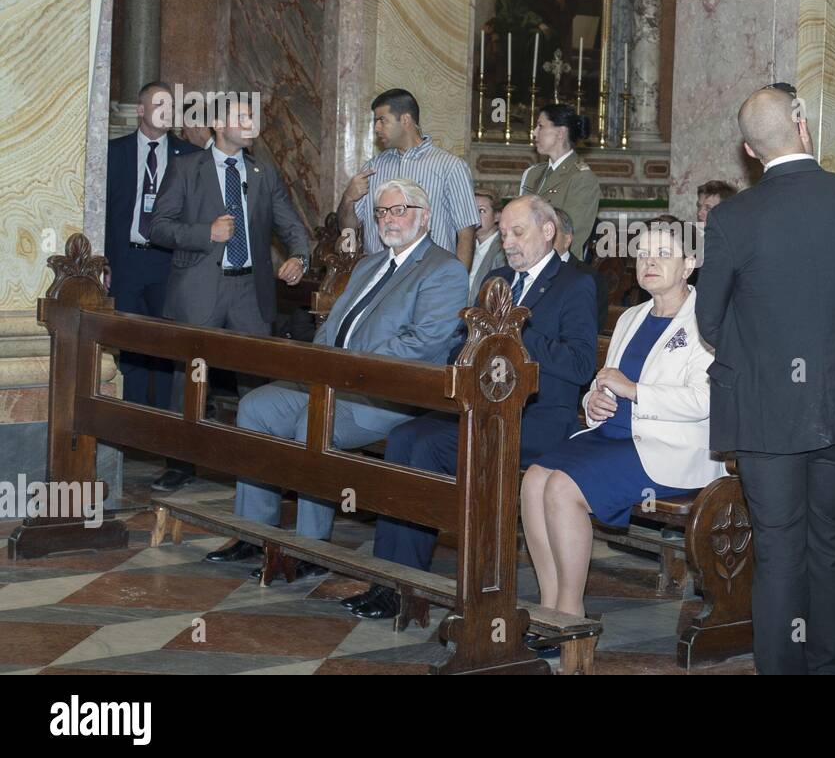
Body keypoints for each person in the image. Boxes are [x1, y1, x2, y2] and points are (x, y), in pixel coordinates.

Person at [696, 86, 835, 675]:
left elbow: (710, 317)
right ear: (802, 125)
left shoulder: (734, 216)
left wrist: (767, 347)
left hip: (767, 412)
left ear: (749, 150)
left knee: (780, 550)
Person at [344, 195, 597, 620]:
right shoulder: (495, 278)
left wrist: (513, 331)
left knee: (427, 449)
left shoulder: (574, 283)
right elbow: (466, 344)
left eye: (518, 232)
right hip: (481, 406)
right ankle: (390, 578)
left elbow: (579, 364)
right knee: (404, 438)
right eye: (503, 232)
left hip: (535, 419)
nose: (508, 242)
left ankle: (409, 587)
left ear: (548, 231)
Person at [205, 179, 467, 574]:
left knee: (313, 422)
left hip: (386, 395)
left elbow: (424, 343)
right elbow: (331, 325)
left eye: (400, 210)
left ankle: (311, 550)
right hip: (333, 379)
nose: (389, 219)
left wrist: (350, 368)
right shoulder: (368, 264)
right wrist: (324, 364)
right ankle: (253, 533)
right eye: (382, 212)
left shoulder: (443, 269)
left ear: (424, 216)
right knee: (255, 407)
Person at [522, 220, 725, 619]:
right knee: (533, 481)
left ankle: (569, 614)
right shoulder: (633, 316)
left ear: (689, 264)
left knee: (562, 487)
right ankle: (548, 605)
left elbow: (706, 400)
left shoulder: (707, 320)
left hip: (672, 446)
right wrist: (595, 399)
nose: (649, 261)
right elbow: (607, 380)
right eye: (643, 253)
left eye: (663, 254)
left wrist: (633, 391)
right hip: (614, 432)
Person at [149, 95, 311, 491]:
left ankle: (260, 462)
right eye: (243, 116)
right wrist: (206, 233)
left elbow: (289, 223)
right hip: (200, 289)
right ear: (220, 125)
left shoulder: (262, 172)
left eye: (252, 116)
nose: (251, 123)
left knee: (256, 378)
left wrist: (300, 258)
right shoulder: (186, 168)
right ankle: (181, 463)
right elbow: (158, 227)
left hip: (248, 291)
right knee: (189, 378)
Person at [105, 82, 200, 422]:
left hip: (169, 263)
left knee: (166, 344)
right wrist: (104, 260)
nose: (166, 111)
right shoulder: (113, 151)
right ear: (140, 110)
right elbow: (101, 209)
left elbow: (196, 213)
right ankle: (130, 421)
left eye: (170, 106)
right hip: (126, 260)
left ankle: (161, 422)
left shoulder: (188, 154)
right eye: (158, 104)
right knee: (129, 345)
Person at [337, 89, 478, 265]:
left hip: (429, 278)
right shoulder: (372, 168)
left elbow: (466, 233)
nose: (376, 129)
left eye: (382, 120)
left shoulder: (449, 167)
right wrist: (348, 198)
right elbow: (347, 229)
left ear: (405, 120)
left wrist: (456, 283)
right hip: (378, 277)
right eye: (375, 122)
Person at [520, 103, 600, 255]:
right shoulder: (532, 174)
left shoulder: (582, 178)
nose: (534, 132)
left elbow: (569, 236)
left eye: (540, 126)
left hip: (559, 267)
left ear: (561, 132)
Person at [554, 207, 609, 330]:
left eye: (551, 232)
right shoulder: (522, 273)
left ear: (567, 240)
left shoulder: (590, 279)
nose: (543, 239)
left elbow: (587, 331)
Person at [468, 190, 506, 304]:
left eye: (481, 211)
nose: (475, 216)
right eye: (471, 210)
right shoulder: (463, 245)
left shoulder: (503, 249)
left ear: (497, 216)